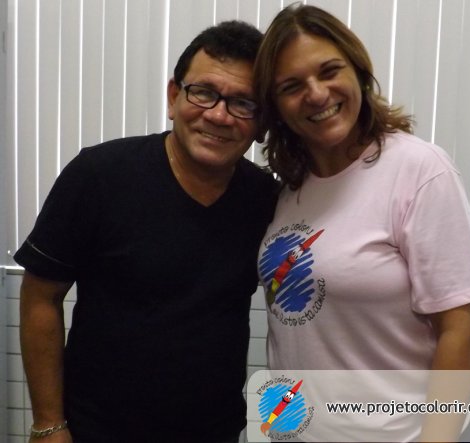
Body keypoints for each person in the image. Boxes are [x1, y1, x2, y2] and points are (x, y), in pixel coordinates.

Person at [15, 20, 278, 443]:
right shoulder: (99, 175)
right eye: (203, 92)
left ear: (262, 121)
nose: (218, 115)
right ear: (174, 97)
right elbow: (40, 297)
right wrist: (48, 423)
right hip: (94, 431)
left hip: (214, 431)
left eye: (243, 103)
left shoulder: (267, 199)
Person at [253, 4, 470, 442]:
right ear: (276, 107)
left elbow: (461, 331)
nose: (316, 94)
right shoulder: (290, 190)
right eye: (292, 86)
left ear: (359, 72)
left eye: (329, 71)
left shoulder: (418, 170)